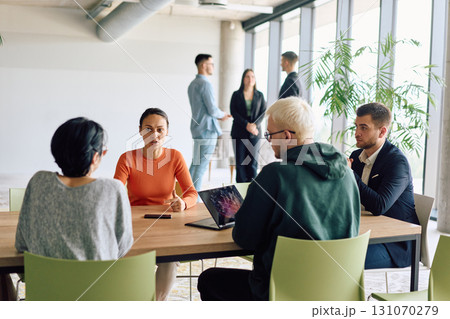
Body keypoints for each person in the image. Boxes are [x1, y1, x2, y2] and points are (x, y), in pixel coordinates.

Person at [197, 97, 360, 301]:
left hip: (280, 291)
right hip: (335, 289)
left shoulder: (275, 174)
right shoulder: (347, 173)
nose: (267, 140)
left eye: (270, 134)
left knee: (209, 279)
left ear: (287, 135)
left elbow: (244, 238)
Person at [114, 107, 198, 301]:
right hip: (134, 225)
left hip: (166, 224)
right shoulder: (127, 159)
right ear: (140, 131)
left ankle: (154, 304)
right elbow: (115, 194)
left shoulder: (175, 157)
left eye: (160, 129)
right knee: (128, 260)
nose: (155, 135)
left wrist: (183, 204)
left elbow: (191, 193)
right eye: (149, 129)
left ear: (167, 131)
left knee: (170, 260)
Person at [349, 102, 419, 269]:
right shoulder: (356, 156)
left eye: (364, 128)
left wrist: (349, 175)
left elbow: (379, 205)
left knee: (343, 260)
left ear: (382, 131)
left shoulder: (397, 162)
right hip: (364, 231)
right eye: (356, 126)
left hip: (394, 244)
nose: (357, 133)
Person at [188, 53, 231, 191]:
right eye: (211, 64)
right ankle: (194, 200)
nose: (213, 67)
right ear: (204, 65)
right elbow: (212, 109)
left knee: (195, 165)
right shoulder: (205, 84)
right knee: (201, 167)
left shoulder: (192, 84)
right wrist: (223, 114)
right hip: (207, 130)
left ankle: (187, 195)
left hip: (197, 128)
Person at [230, 69, 267, 182]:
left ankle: (252, 191)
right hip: (239, 132)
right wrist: (246, 125)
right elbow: (234, 112)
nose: (250, 79)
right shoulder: (236, 95)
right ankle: (240, 192)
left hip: (254, 134)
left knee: (252, 163)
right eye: (247, 76)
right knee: (240, 163)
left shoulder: (259, 95)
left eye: (252, 77)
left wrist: (254, 125)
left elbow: (263, 112)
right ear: (243, 79)